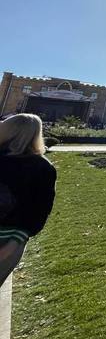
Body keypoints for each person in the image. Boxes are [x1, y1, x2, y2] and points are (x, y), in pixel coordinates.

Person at [0, 114, 57, 286]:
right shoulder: (44, 168)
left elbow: (39, 209)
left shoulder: (41, 168)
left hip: (9, 239)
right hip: (10, 240)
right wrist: (16, 241)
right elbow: (40, 210)